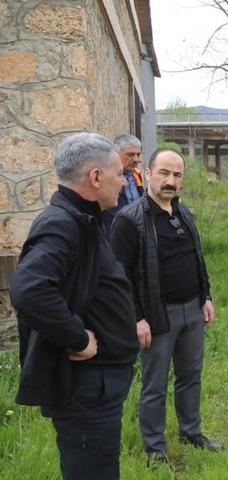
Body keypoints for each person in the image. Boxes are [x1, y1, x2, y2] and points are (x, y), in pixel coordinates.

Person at [11, 132, 138, 479]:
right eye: (118, 173)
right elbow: (30, 289)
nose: (124, 180)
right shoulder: (62, 223)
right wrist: (77, 338)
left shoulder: (84, 219)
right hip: (85, 387)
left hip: (99, 385)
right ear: (95, 178)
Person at [110, 148, 221, 462]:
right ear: (147, 173)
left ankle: (191, 432)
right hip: (156, 316)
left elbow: (197, 259)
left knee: (191, 376)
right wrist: (137, 318)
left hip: (192, 311)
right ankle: (155, 449)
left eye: (177, 175)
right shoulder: (129, 220)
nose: (170, 181)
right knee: (155, 385)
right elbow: (121, 277)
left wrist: (206, 297)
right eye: (164, 173)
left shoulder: (184, 213)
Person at [102, 134, 143, 229]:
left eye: (138, 154)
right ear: (115, 154)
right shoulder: (105, 177)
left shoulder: (136, 174)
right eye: (130, 155)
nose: (136, 159)